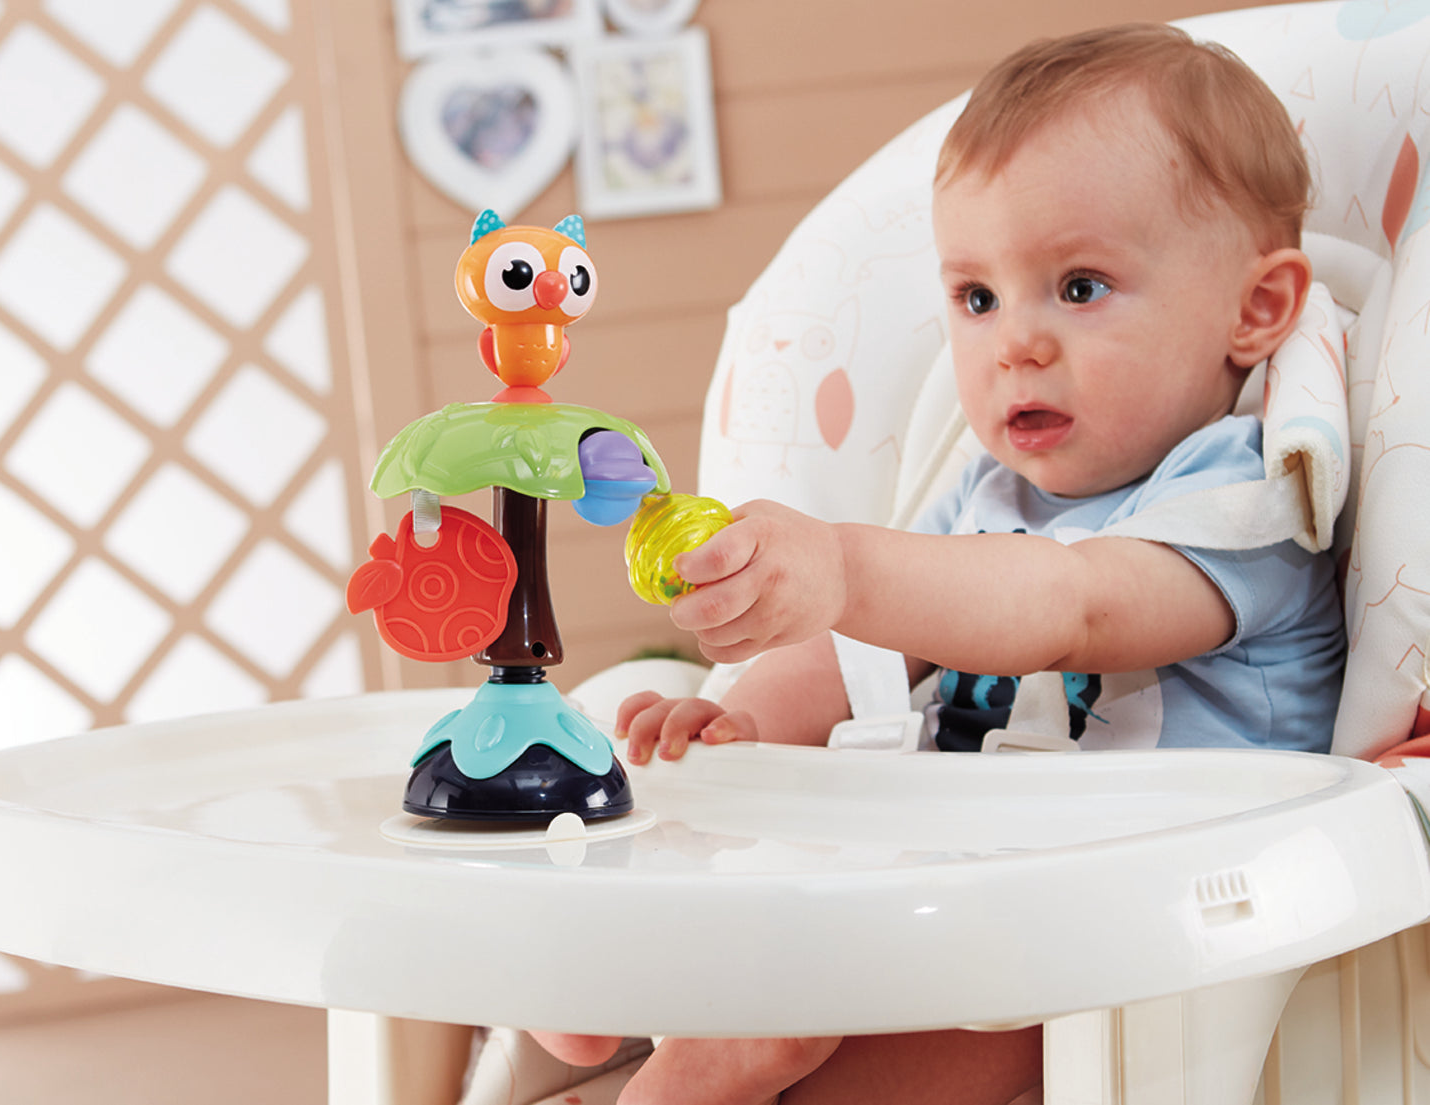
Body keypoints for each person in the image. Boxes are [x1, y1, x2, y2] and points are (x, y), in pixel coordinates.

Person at [536, 22, 1344, 1105]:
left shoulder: (1247, 496)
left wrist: (846, 565)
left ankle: (715, 1054)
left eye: (1081, 287)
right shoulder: (987, 490)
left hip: (1142, 940)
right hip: (958, 881)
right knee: (759, 895)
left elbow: (1074, 607)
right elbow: (866, 650)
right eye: (977, 298)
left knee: (832, 1039)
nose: (1015, 342)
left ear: (1255, 309)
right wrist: (740, 722)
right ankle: (642, 976)